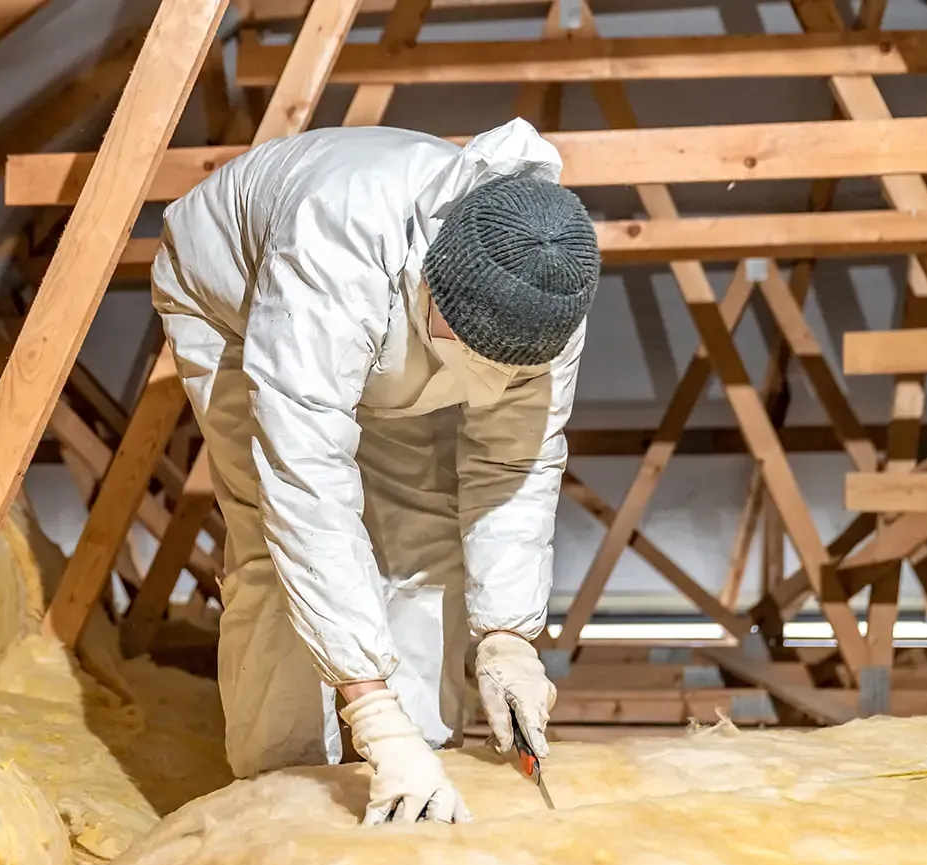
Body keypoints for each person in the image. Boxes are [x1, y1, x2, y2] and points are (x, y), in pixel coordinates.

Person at [149, 118, 600, 826]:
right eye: (467, 347)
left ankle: (425, 770)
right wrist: (372, 713)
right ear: (434, 285)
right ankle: (289, 793)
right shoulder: (334, 248)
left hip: (388, 318)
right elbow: (306, 487)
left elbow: (515, 459)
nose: (482, 376)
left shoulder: (552, 292)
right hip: (232, 294)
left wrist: (508, 636)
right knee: (273, 543)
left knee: (419, 526)